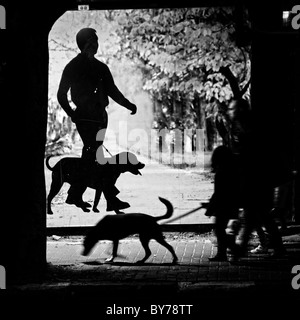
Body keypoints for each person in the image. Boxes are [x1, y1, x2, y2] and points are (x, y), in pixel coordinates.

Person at [57, 28, 137, 211]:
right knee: (94, 154)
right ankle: (109, 198)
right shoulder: (73, 67)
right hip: (86, 119)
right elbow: (61, 94)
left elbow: (112, 90)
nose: (96, 44)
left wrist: (128, 104)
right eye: (93, 41)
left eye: (97, 41)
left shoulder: (101, 67)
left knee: (91, 156)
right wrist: (72, 113)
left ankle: (75, 194)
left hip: (100, 117)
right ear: (86, 43)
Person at [204, 145, 240, 261]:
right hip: (232, 203)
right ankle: (226, 252)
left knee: (219, 229)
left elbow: (219, 192)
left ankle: (230, 250)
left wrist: (210, 207)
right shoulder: (233, 169)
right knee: (225, 229)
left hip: (223, 205)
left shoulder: (221, 171)